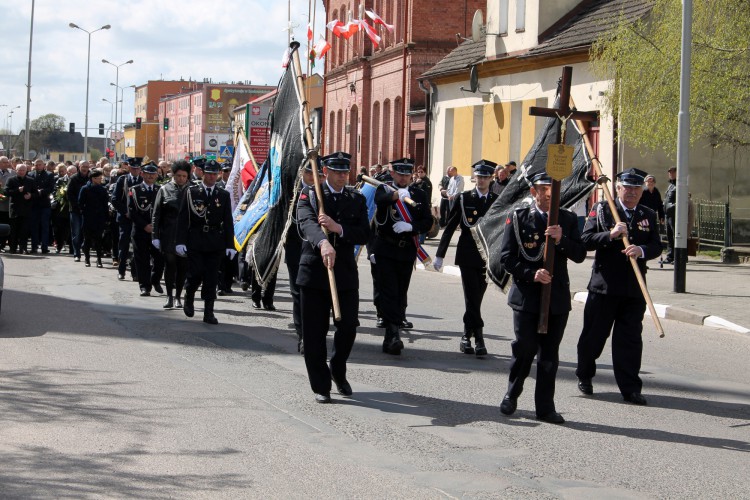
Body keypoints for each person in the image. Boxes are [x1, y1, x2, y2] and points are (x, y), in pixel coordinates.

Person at [498, 172, 586, 424]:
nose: (548, 194)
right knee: (524, 348)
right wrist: (532, 274)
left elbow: (580, 254)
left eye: (552, 189)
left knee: (549, 356)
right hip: (527, 296)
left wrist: (562, 240)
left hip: (556, 298)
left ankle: (545, 407)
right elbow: (506, 258)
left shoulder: (567, 219)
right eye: (543, 189)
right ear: (533, 192)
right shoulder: (518, 218)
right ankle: (512, 393)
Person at [576, 168, 663, 406]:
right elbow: (585, 240)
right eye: (628, 188)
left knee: (630, 340)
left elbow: (657, 245)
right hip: (604, 287)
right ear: (618, 188)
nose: (633, 192)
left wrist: (641, 250)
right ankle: (585, 374)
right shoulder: (603, 209)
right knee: (594, 337)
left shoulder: (647, 213)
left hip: (634, 288)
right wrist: (611, 235)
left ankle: (630, 388)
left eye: (637, 188)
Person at [296, 151, 370, 403]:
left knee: (348, 327)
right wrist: (323, 243)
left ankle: (338, 369)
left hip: (344, 273)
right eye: (336, 171)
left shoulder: (356, 198)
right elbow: (306, 222)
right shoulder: (310, 194)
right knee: (314, 333)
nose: (341, 176)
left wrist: (340, 229)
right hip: (315, 271)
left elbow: (364, 233)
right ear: (325, 171)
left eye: (344, 172)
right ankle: (321, 385)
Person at [434, 160, 499, 356]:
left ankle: (466, 335)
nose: (481, 180)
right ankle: (478, 338)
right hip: (467, 255)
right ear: (474, 178)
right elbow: (451, 226)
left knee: (476, 299)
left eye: (485, 177)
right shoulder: (464, 198)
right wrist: (439, 254)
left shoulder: (497, 200)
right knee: (471, 297)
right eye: (478, 177)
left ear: (491, 179)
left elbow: (502, 231)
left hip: (487, 256)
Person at [372, 158, 432, 354]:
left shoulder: (419, 193)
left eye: (407, 174)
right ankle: (393, 333)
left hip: (406, 250)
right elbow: (379, 201)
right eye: (400, 173)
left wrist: (412, 226)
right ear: (393, 174)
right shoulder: (384, 189)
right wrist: (395, 196)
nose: (404, 177)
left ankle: (393, 330)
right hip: (386, 249)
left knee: (400, 292)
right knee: (388, 291)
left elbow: (427, 221)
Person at [176, 159, 235, 325]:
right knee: (195, 273)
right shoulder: (191, 192)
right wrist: (180, 242)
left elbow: (228, 221)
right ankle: (189, 296)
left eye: (214, 174)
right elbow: (182, 219)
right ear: (203, 173)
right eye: (209, 173)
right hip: (195, 239)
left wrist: (230, 245)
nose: (211, 177)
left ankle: (209, 311)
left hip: (215, 241)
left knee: (211, 277)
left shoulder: (223, 195)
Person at [284, 162, 324, 355]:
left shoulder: (326, 193)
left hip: (317, 249)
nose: (313, 176)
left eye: (317, 173)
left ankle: (317, 334)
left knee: (316, 295)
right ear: (302, 172)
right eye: (309, 172)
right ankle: (303, 337)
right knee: (298, 293)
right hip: (295, 247)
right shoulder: (292, 191)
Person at [152, 160, 191, 309]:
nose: (181, 178)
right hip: (168, 234)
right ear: (173, 175)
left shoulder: (193, 190)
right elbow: (156, 215)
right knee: (170, 266)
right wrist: (155, 236)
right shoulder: (164, 189)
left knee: (182, 267)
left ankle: (178, 297)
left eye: (184, 176)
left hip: (185, 235)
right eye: (178, 175)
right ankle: (169, 296)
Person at [128, 162, 164, 297]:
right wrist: (144, 226)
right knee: (142, 260)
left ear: (157, 175)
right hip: (140, 230)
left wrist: (155, 227)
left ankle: (155, 280)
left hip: (156, 232)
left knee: (160, 259)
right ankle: (145, 286)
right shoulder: (134, 190)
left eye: (153, 174)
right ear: (142, 174)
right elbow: (132, 211)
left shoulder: (161, 190)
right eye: (148, 173)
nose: (150, 176)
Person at [112, 157, 143, 280]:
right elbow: (114, 199)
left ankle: (135, 272)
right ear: (129, 168)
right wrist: (125, 211)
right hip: (125, 218)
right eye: (133, 168)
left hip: (138, 219)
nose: (135, 170)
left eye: (137, 168)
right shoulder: (122, 180)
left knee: (137, 246)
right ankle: (122, 270)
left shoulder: (142, 180)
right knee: (124, 244)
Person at [78, 169, 109, 267]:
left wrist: (106, 217)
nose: (100, 180)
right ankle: (87, 259)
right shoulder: (85, 188)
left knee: (99, 239)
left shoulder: (102, 189)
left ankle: (99, 259)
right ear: (93, 179)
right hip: (88, 217)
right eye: (99, 178)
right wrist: (84, 211)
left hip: (99, 218)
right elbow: (80, 203)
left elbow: (105, 204)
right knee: (87, 239)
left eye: (101, 178)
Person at [4, 164, 37, 254]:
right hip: (15, 208)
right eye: (19, 170)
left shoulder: (31, 180)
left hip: (26, 209)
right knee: (14, 230)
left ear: (26, 171)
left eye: (23, 170)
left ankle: (23, 248)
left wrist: (31, 195)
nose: (21, 172)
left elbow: (36, 193)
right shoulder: (11, 180)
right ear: (16, 170)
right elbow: (6, 192)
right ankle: (13, 248)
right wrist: (17, 190)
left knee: (25, 230)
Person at [28, 159, 55, 254]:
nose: (38, 166)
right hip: (34, 204)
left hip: (45, 204)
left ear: (44, 165)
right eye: (36, 165)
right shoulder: (30, 174)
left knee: (45, 226)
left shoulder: (49, 175)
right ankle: (34, 246)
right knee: (34, 226)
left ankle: (44, 246)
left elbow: (51, 188)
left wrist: (41, 191)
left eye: (40, 164)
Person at [67, 160, 91, 261]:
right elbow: (70, 194)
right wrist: (78, 206)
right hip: (76, 210)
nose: (85, 168)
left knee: (86, 232)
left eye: (86, 166)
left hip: (88, 210)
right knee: (76, 232)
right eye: (83, 166)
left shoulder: (91, 178)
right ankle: (77, 253)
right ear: (79, 167)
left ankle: (86, 252)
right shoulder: (73, 178)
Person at [0, 156, 17, 251]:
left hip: (8, 204)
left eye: (7, 162)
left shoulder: (12, 173)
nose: (7, 164)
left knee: (7, 224)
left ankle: (4, 244)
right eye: (4, 162)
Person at [663, 166, 677, 264]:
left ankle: (679, 256)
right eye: (669, 172)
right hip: (668, 215)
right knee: (669, 236)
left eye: (672, 172)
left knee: (676, 236)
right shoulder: (671, 185)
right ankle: (670, 256)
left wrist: (672, 207)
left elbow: (681, 200)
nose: (670, 174)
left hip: (675, 215)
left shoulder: (679, 185)